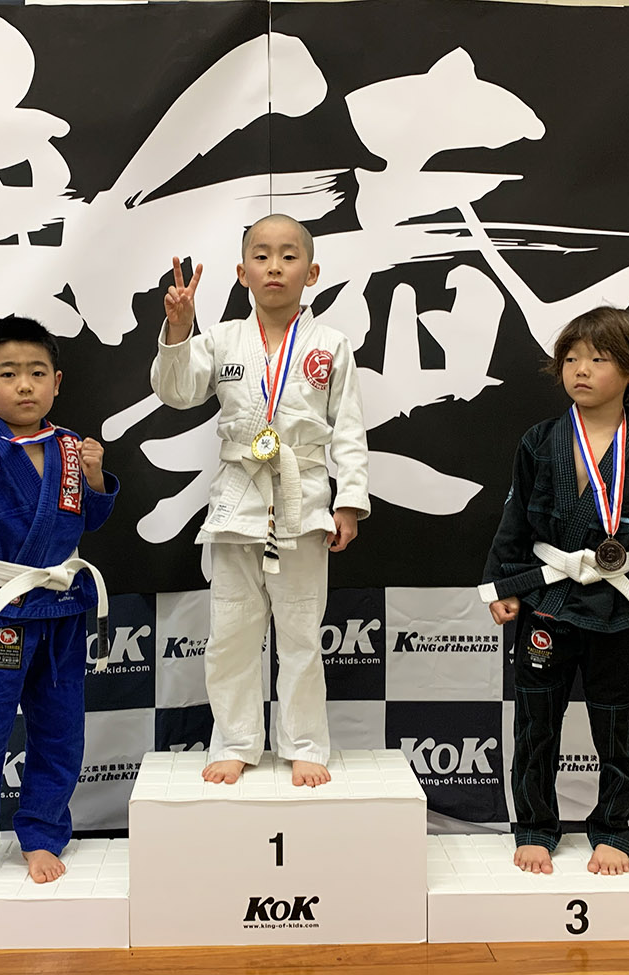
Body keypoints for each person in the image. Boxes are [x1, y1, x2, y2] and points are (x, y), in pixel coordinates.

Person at [479, 305, 629, 877]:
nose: (580, 369)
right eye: (572, 358)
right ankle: (535, 826)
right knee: (535, 723)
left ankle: (612, 828)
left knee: (617, 725)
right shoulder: (539, 441)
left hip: (614, 605)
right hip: (547, 602)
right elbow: (514, 520)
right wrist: (504, 584)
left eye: (598, 359)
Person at [151, 214, 370, 788]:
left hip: (303, 499)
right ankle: (235, 741)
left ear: (311, 272)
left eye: (289, 256)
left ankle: (304, 742)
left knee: (300, 633)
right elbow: (176, 392)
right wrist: (178, 330)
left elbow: (348, 430)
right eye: (262, 256)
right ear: (242, 272)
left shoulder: (331, 344)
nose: (275, 266)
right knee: (232, 632)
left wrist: (349, 501)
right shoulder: (222, 338)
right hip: (237, 500)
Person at [0, 315, 118, 895]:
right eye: (8, 373)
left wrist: (96, 477)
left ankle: (42, 834)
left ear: (57, 382)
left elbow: (88, 521)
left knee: (59, 731)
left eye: (37, 372)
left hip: (63, 608)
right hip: (0, 610)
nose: (24, 385)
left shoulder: (70, 447)